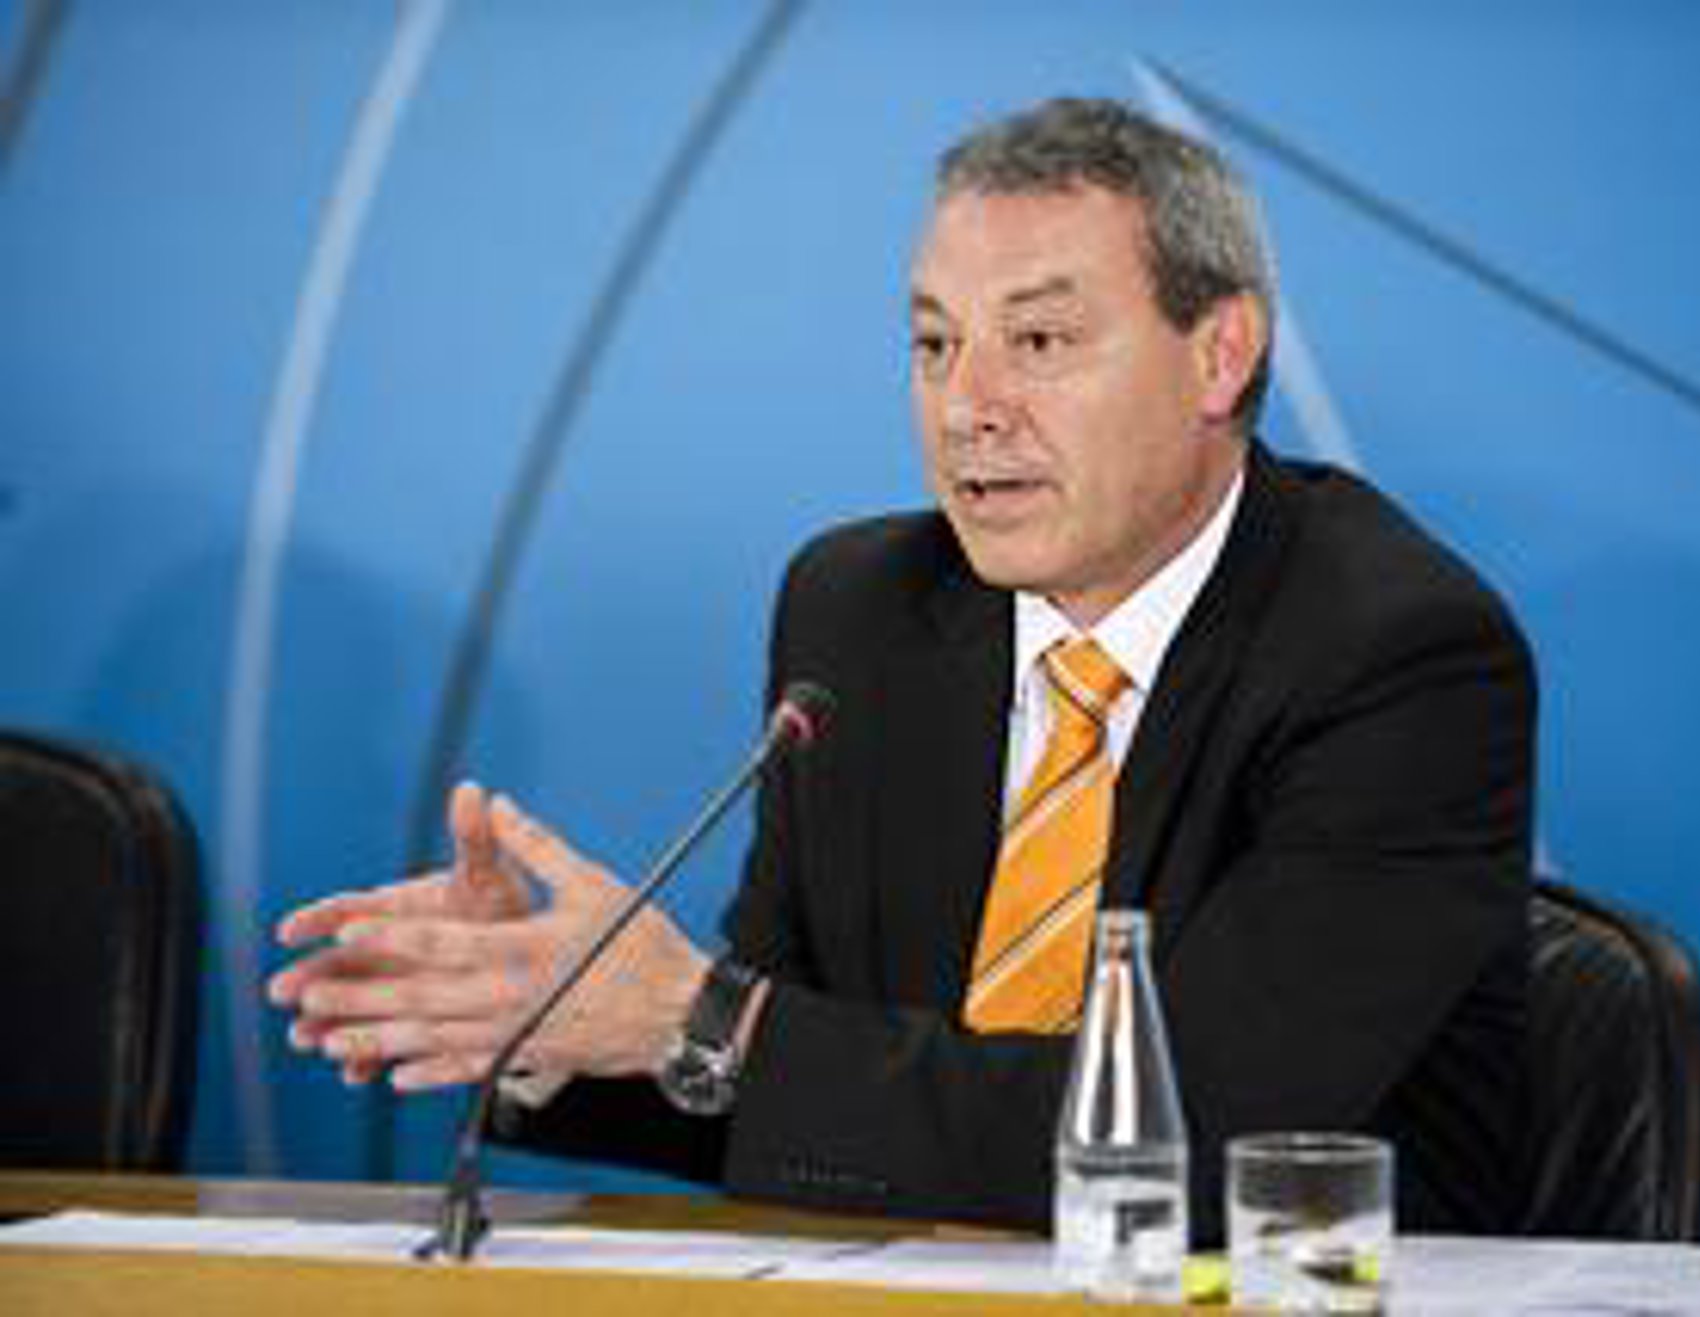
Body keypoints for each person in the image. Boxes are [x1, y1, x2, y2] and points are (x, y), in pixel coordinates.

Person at [268, 96, 1536, 1243]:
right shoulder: (862, 615)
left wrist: (705, 1018)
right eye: (934, 345)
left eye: (1039, 340)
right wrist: (558, 1015)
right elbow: (809, 1095)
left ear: (1220, 353)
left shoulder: (1397, 655)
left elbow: (1196, 1138)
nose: (967, 405)